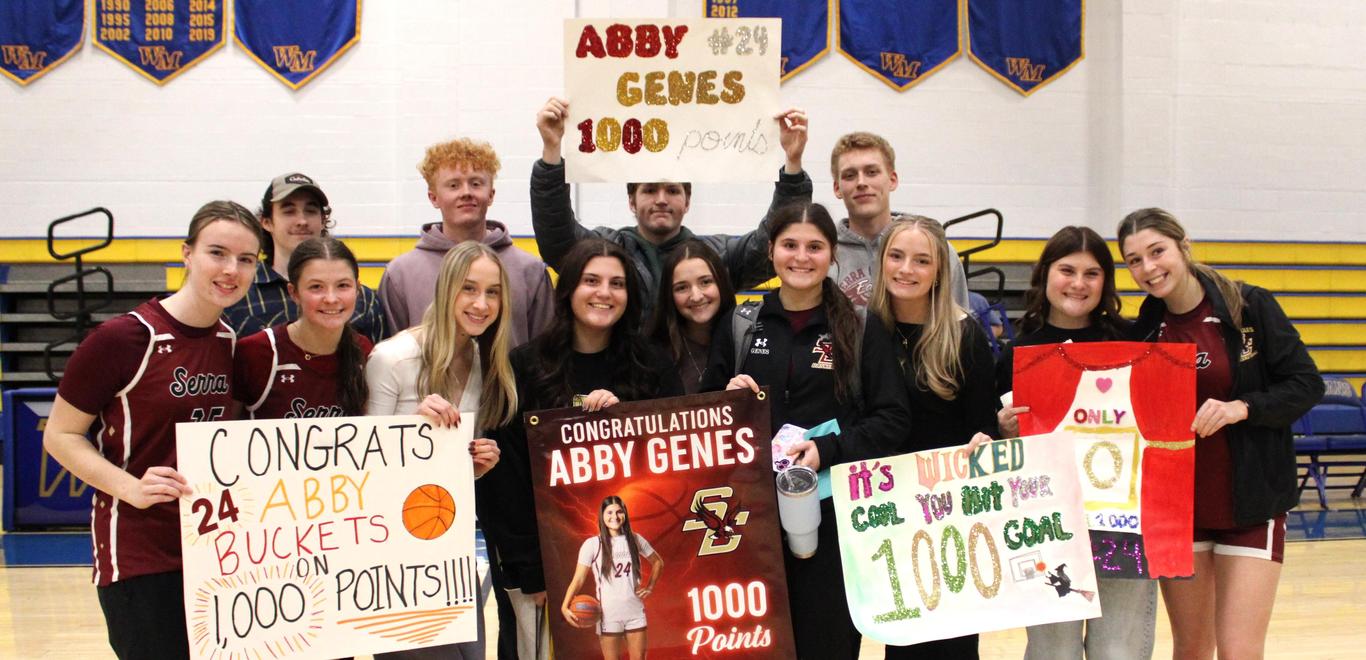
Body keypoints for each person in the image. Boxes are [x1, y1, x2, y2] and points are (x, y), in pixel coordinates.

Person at [42, 201, 262, 659]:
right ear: (186, 253)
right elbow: (59, 436)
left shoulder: (228, 342)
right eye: (217, 253)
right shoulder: (123, 339)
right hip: (139, 555)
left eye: (246, 260)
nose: (231, 269)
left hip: (212, 553)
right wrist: (131, 487)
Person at [701, 203, 911, 660]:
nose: (801, 257)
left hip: (836, 515)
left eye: (814, 247)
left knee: (827, 639)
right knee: (757, 643)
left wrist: (827, 449)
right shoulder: (741, 320)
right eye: (790, 245)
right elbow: (702, 413)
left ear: (832, 254)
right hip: (748, 515)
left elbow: (892, 418)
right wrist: (726, 399)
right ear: (772, 252)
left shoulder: (859, 324)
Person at [1118, 208, 1323, 660]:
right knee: (1191, 648)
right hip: (1180, 510)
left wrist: (1242, 407)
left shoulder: (1249, 305)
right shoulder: (1147, 328)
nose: (1148, 268)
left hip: (1251, 506)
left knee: (1238, 650)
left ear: (1182, 245)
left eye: (1157, 251)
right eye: (1134, 260)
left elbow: (1306, 384)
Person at [479, 239, 684, 660]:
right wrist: (534, 573)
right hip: (539, 568)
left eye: (617, 283)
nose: (604, 293)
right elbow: (504, 479)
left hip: (628, 576)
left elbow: (677, 465)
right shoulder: (525, 366)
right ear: (568, 289)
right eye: (591, 280)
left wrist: (627, 418)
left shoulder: (653, 367)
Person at [994, 226, 1153, 660]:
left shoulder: (1136, 344)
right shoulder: (1017, 353)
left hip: (1126, 523)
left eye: (1092, 273)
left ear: (1106, 283)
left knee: (1119, 650)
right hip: (1048, 526)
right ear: (1045, 275)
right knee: (1052, 652)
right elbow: (999, 453)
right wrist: (1005, 431)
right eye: (1067, 270)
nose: (1078, 284)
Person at [531, 97, 813, 317]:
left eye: (673, 190)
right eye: (650, 190)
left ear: (687, 201)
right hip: (623, 386)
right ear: (631, 200)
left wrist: (792, 164)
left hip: (699, 387)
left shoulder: (719, 256)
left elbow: (772, 246)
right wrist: (552, 152)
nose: (662, 199)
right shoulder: (607, 250)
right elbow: (558, 240)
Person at [365, 241, 510, 660]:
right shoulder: (393, 359)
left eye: (492, 292)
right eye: (468, 289)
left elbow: (451, 472)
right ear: (446, 289)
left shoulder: (487, 364)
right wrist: (412, 430)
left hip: (451, 551)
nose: (481, 304)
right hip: (392, 561)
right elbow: (363, 472)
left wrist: (479, 466)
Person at [868, 217, 994, 659]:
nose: (907, 269)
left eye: (922, 260)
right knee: (902, 641)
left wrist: (985, 442)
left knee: (954, 643)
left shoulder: (965, 335)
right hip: (887, 513)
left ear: (940, 270)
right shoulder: (865, 331)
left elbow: (984, 427)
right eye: (897, 257)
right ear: (881, 261)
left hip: (951, 514)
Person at [379, 137, 554, 344]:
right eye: (453, 185)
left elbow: (545, 355)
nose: (466, 193)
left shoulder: (530, 271)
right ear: (433, 197)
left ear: (491, 194)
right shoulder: (401, 274)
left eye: (476, 183)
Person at [224, 172, 386, 344]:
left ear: (323, 220)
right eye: (289, 211)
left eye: (310, 211)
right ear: (266, 222)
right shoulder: (239, 293)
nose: (302, 220)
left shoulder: (364, 301)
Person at [825, 131, 969, 311]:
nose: (861, 182)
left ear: (892, 180)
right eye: (849, 175)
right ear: (837, 188)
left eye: (871, 172)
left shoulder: (935, 249)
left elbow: (958, 327)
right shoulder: (825, 254)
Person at [234, 237, 373, 419]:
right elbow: (222, 432)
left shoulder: (365, 351)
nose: (331, 298)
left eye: (343, 286)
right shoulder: (255, 352)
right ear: (294, 293)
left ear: (357, 289)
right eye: (316, 287)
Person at [560, 496, 664, 660]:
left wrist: (650, 586)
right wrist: (564, 606)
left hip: (635, 612)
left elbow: (658, 562)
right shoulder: (593, 544)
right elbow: (578, 579)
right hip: (608, 615)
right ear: (602, 516)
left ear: (625, 514)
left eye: (619, 512)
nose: (614, 517)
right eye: (609, 512)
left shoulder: (635, 539)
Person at [648, 240, 736, 394]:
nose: (696, 296)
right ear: (669, 295)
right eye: (682, 287)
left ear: (721, 283)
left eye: (705, 282)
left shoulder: (746, 342)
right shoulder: (652, 353)